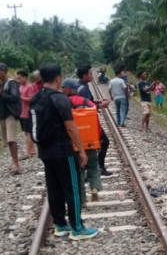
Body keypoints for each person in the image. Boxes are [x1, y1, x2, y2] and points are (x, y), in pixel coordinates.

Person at [30, 63, 98, 240]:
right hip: (62, 151)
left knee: (54, 188)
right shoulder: (60, 99)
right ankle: (77, 228)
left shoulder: (36, 98)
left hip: (45, 151)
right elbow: (71, 127)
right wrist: (82, 151)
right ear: (58, 78)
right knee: (73, 189)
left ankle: (60, 225)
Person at [61, 78, 102, 202]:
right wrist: (98, 140)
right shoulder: (88, 102)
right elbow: (96, 124)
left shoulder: (64, 103)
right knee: (94, 167)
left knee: (78, 171)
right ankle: (94, 188)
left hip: (74, 145)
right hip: (90, 143)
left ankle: (82, 198)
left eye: (63, 88)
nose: (62, 90)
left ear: (69, 89)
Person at [76, 66, 112, 176]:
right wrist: (101, 105)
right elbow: (86, 107)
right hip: (88, 123)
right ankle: (98, 168)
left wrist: (98, 101)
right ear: (84, 76)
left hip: (86, 122)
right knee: (104, 142)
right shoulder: (83, 89)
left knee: (97, 144)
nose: (92, 76)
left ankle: (91, 168)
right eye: (90, 74)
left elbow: (89, 102)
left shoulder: (81, 86)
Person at [0, 63, 22, 174]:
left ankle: (16, 163)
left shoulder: (12, 83)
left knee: (12, 140)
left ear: (4, 71)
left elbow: (15, 97)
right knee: (7, 141)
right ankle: (13, 162)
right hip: (2, 115)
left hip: (10, 114)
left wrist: (0, 94)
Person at [17, 69, 37, 157]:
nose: (19, 80)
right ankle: (32, 149)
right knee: (26, 132)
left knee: (29, 132)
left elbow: (31, 99)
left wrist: (21, 98)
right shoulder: (20, 87)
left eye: (20, 78)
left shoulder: (29, 87)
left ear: (25, 77)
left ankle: (28, 151)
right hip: (22, 112)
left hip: (28, 111)